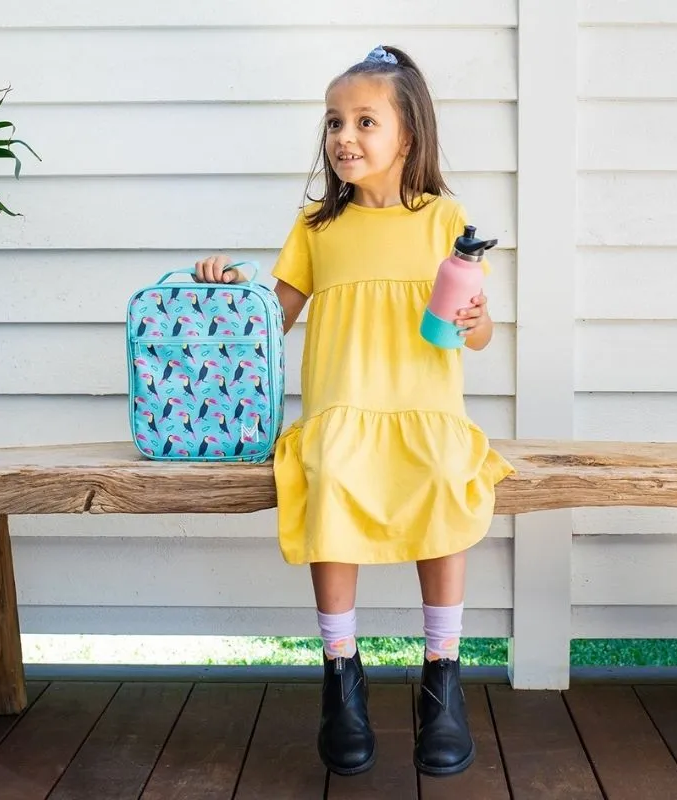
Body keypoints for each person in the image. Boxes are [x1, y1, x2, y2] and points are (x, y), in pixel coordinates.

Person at [194, 44, 514, 778]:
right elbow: (266, 323)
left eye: (366, 121)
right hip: (344, 413)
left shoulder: (445, 219)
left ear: (408, 134)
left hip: (423, 411)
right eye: (335, 122)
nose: (345, 136)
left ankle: (443, 677)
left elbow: (482, 326)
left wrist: (473, 321)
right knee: (329, 476)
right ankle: (342, 674)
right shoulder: (317, 228)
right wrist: (229, 285)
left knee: (441, 475)